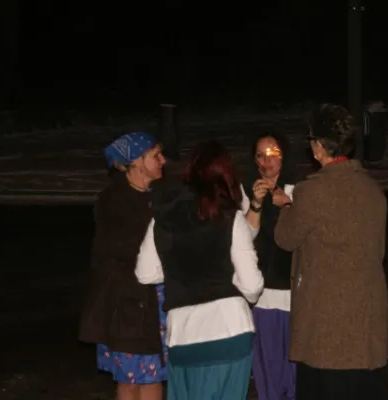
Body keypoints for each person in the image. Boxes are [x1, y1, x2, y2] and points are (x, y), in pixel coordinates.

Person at [274, 104, 388, 400]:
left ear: (318, 147)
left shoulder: (311, 192)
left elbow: (285, 239)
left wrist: (285, 206)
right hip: (367, 326)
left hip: (327, 327)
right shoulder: (373, 191)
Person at [135, 140, 264, 400]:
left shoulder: (163, 218)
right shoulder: (230, 217)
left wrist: (178, 271)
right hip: (229, 331)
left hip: (183, 336)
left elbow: (146, 273)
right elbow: (251, 285)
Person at [78, 132, 168, 400]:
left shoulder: (159, 196)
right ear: (136, 161)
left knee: (152, 377)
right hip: (127, 305)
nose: (163, 161)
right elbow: (120, 249)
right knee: (131, 380)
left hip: (155, 300)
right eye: (156, 155)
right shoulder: (113, 201)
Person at [242, 132, 297, 400]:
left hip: (294, 297)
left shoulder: (298, 190)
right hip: (263, 298)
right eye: (261, 155)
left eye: (273, 154)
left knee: (295, 374)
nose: (267, 161)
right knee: (268, 373)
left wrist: (286, 203)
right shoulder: (246, 191)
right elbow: (243, 239)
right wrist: (256, 203)